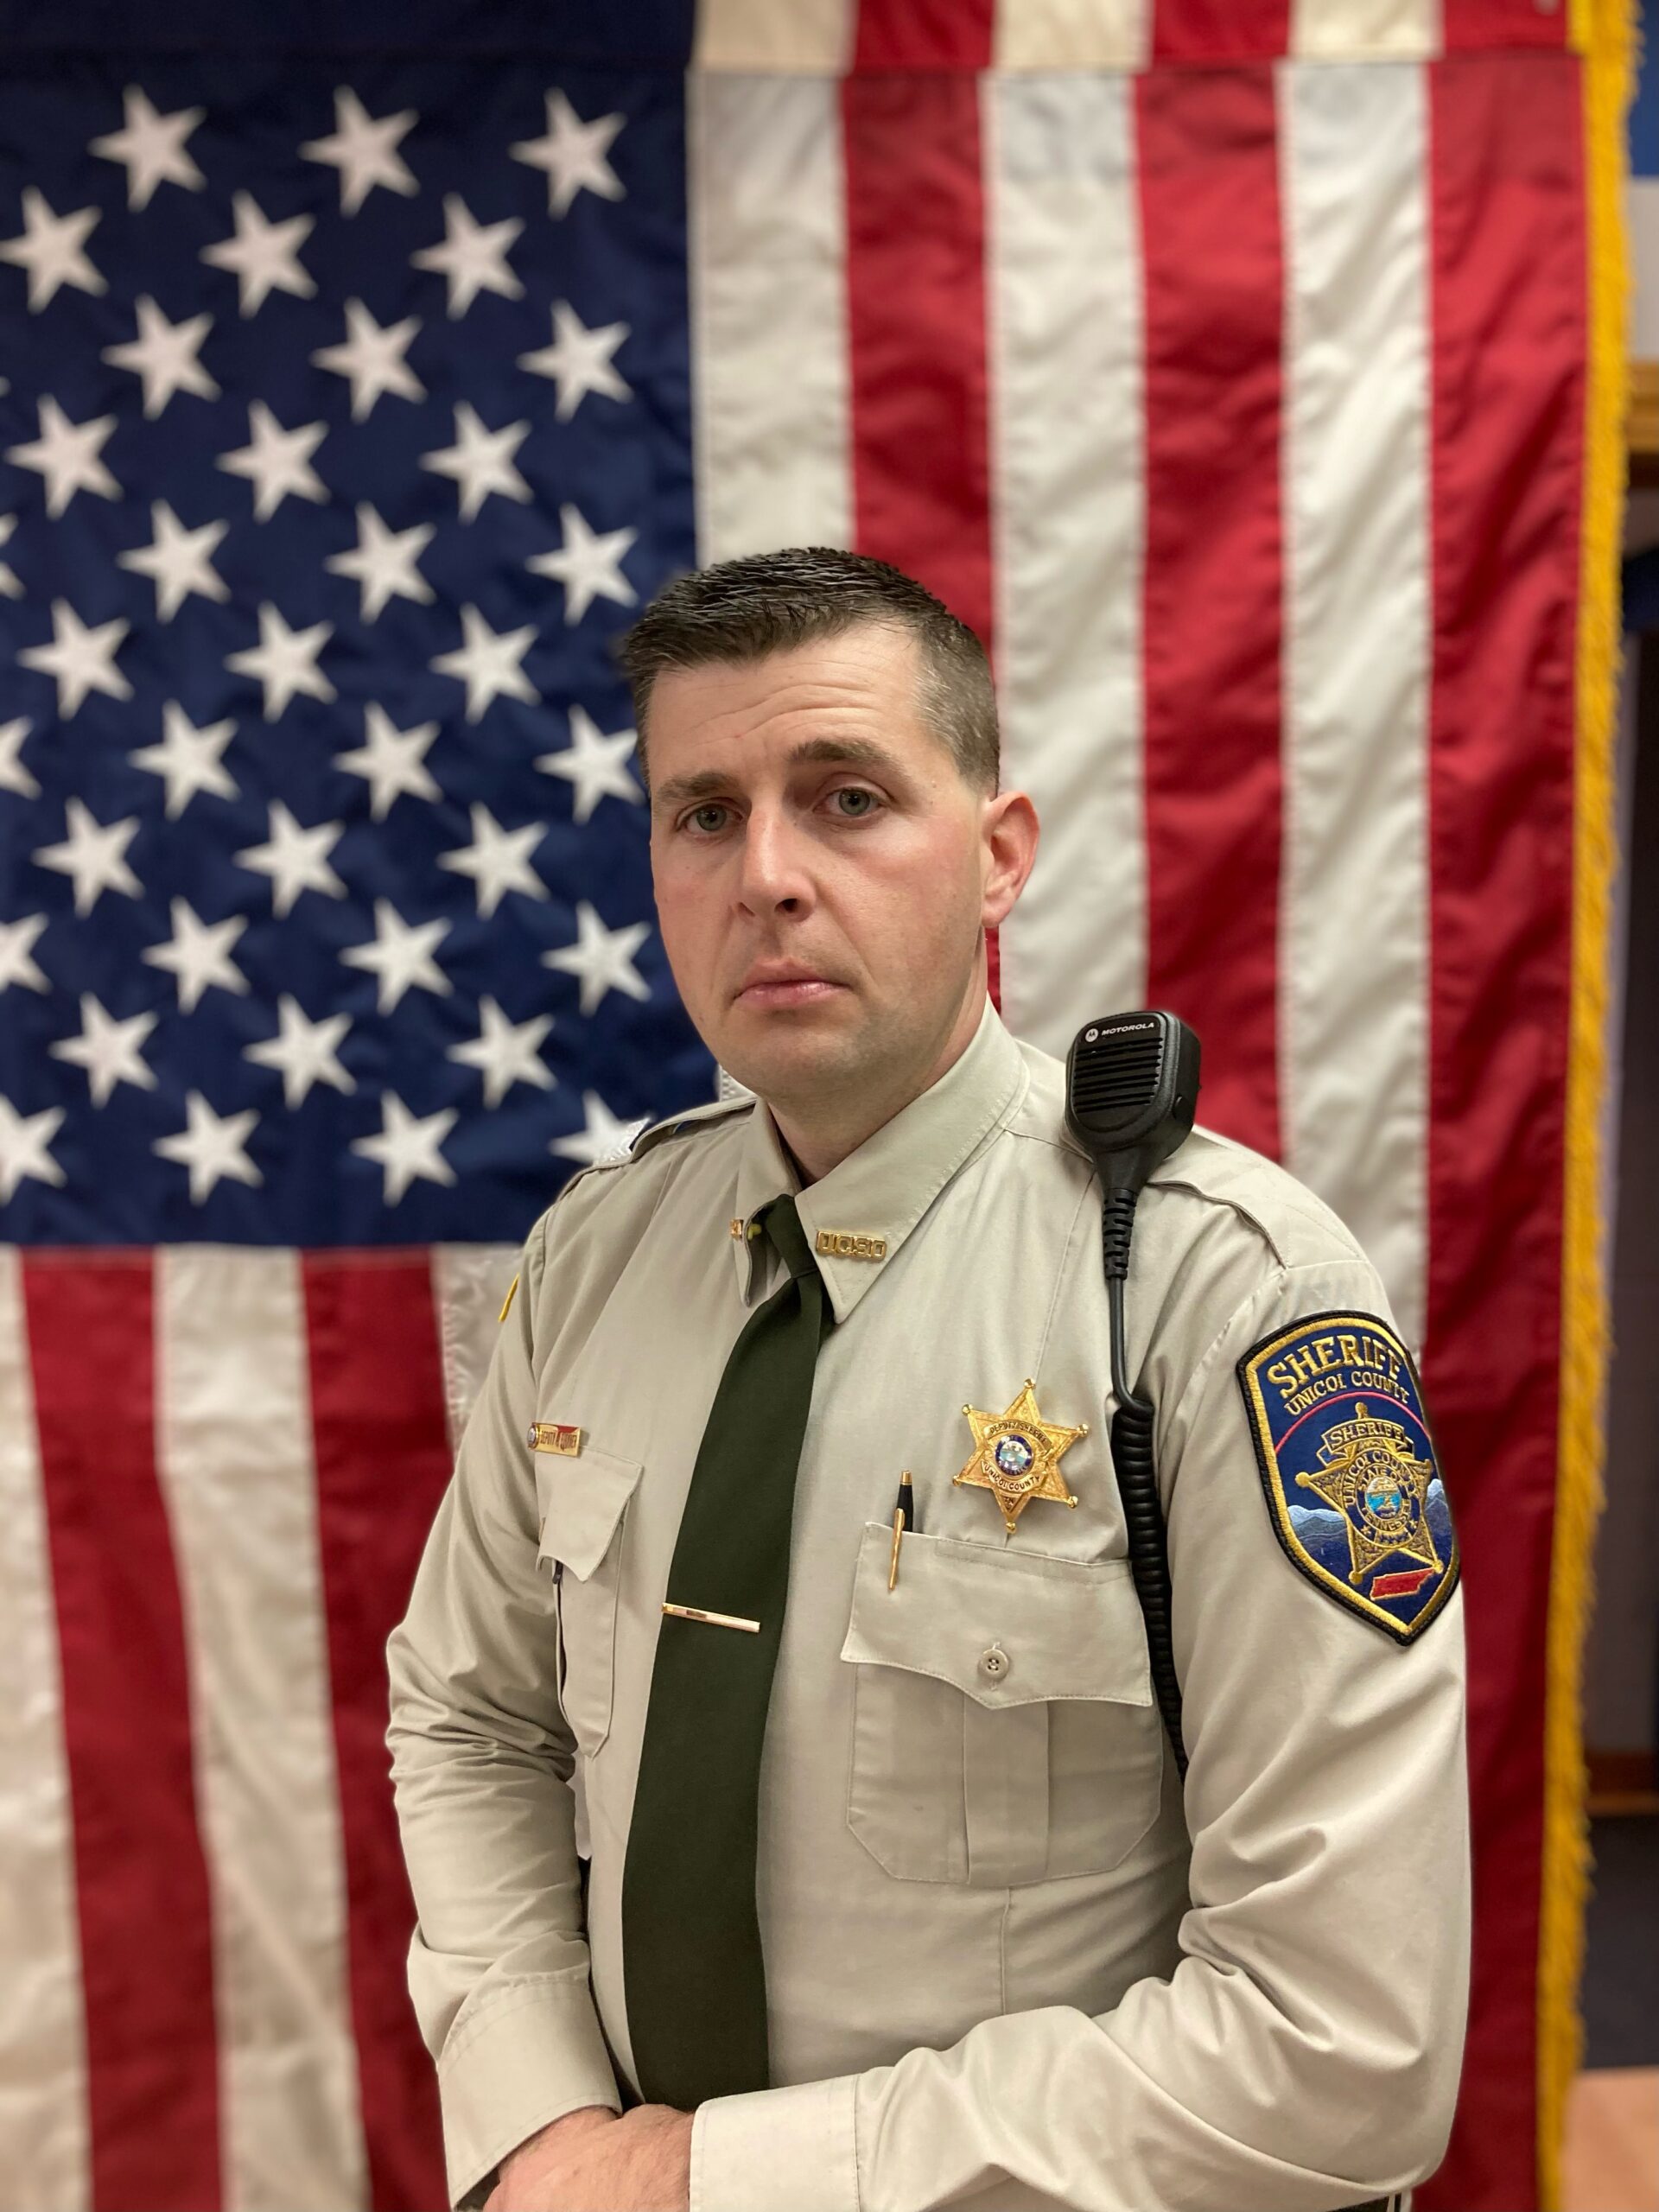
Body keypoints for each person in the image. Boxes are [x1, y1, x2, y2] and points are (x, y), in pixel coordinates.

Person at [385, 547, 1471, 2212]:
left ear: (999, 855)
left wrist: (705, 2181)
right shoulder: (596, 1257)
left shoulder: (1225, 1297)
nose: (767, 876)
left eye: (848, 799)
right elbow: (470, 1719)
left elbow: (1345, 2044)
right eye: (703, 814)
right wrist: (540, 2124)